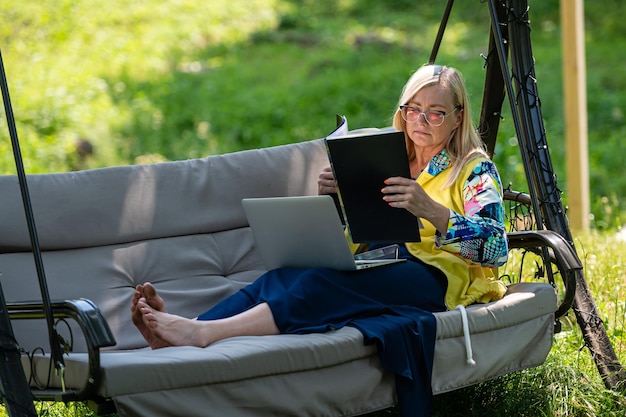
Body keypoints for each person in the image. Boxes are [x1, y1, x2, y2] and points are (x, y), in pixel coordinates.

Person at [131, 64, 508, 417]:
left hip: (434, 277)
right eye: (413, 109)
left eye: (435, 112)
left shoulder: (472, 168)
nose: (420, 120)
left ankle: (201, 334)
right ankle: (179, 328)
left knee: (318, 284)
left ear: (458, 116)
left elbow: (496, 248)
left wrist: (432, 209)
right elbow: (366, 228)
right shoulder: (386, 158)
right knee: (282, 277)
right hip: (381, 261)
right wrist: (335, 198)